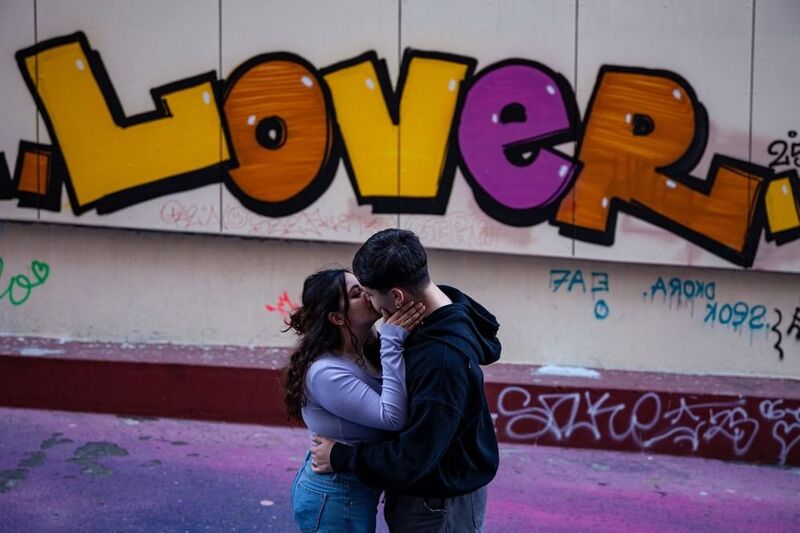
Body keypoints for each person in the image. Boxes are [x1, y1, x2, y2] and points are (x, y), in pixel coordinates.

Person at [310, 229, 501, 532]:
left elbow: (411, 458)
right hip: (435, 494)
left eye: (369, 294)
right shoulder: (434, 317)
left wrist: (340, 455)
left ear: (397, 296)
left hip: (437, 504)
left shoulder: (439, 360)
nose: (371, 304)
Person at [282, 268, 425, 532]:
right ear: (337, 317)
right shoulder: (326, 372)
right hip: (334, 494)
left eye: (365, 287)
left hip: (353, 487)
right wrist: (393, 339)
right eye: (356, 294)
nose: (368, 295)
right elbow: (392, 417)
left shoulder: (367, 345)